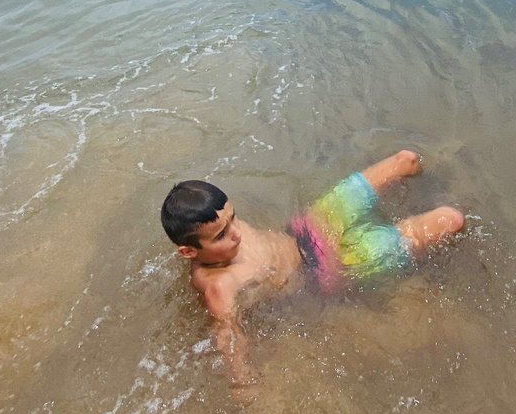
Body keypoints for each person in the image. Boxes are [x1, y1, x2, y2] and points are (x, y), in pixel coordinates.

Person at [160, 149, 465, 391]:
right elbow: (228, 334)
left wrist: (224, 229)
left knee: (406, 159)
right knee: (451, 220)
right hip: (330, 268)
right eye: (221, 235)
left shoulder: (222, 225)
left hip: (310, 226)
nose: (236, 233)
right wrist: (244, 384)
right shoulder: (219, 285)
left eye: (233, 219)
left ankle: (450, 169)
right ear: (188, 252)